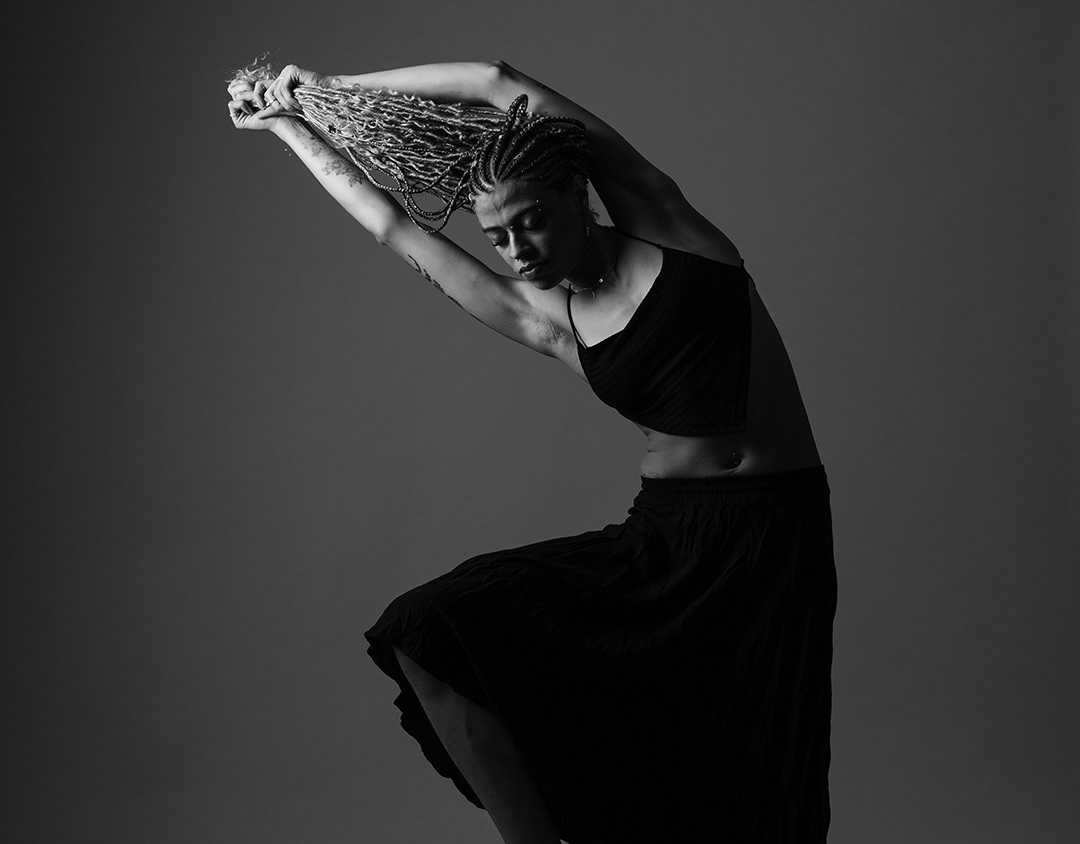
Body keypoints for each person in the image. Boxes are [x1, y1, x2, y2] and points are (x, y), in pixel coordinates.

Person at [227, 60, 836, 844]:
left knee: (758, 775)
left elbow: (492, 78)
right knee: (430, 629)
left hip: (775, 536)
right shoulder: (545, 317)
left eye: (533, 222)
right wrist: (291, 127)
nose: (517, 250)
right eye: (497, 237)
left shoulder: (669, 226)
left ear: (579, 197)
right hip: (666, 542)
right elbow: (392, 227)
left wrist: (324, 87)